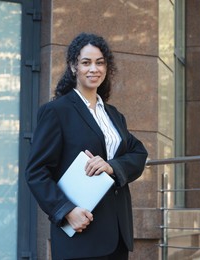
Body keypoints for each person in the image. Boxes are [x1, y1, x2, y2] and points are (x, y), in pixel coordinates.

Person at [25, 32, 148, 260]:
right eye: (86, 62)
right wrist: (66, 211)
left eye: (100, 63)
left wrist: (112, 167)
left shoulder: (114, 115)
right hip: (81, 231)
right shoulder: (57, 112)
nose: (94, 69)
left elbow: (139, 153)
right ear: (74, 67)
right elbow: (36, 172)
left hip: (118, 234)